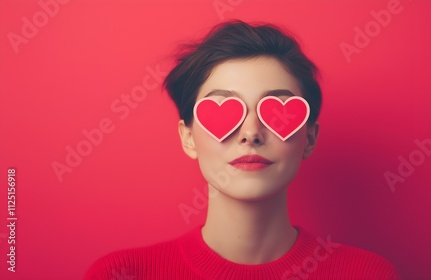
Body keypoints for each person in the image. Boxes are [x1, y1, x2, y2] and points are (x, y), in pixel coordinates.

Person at [84, 19, 401, 280]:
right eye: (223, 108)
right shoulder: (121, 274)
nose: (251, 134)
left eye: (276, 111)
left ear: (310, 138)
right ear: (189, 137)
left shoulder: (367, 274)